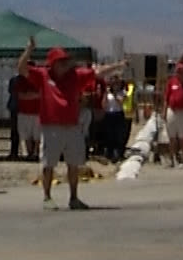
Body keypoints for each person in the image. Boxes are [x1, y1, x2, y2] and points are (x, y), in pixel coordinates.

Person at [18, 40, 125, 210]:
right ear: (52, 64)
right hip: (51, 126)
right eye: (61, 61)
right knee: (48, 163)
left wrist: (117, 66)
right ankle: (47, 197)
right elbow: (22, 68)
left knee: (73, 163)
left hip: (72, 125)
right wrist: (29, 49)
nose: (65, 64)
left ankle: (74, 197)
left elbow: (97, 73)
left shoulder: (75, 76)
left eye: (66, 61)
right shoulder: (43, 75)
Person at [12, 66, 42, 161]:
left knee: (37, 135)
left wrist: (30, 95)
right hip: (24, 112)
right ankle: (30, 153)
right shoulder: (20, 81)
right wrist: (34, 95)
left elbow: (41, 94)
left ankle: (36, 153)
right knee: (26, 134)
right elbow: (21, 96)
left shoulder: (39, 80)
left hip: (37, 112)